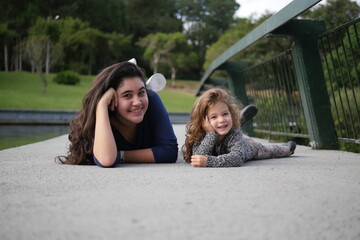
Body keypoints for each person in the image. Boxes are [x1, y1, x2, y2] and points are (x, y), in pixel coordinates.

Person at [55, 61, 178, 167]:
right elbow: (107, 160)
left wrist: (120, 155)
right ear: (111, 100)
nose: (137, 102)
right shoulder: (101, 115)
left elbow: (169, 152)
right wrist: (102, 104)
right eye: (127, 95)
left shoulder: (152, 99)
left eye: (141, 92)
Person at [182, 87, 296, 168]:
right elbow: (197, 157)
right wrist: (211, 134)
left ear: (230, 113)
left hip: (249, 147)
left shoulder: (234, 135)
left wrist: (209, 161)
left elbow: (237, 158)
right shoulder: (201, 135)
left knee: (270, 151)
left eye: (225, 114)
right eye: (214, 117)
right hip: (226, 138)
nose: (221, 119)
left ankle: (287, 149)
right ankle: (238, 118)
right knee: (230, 129)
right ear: (203, 121)